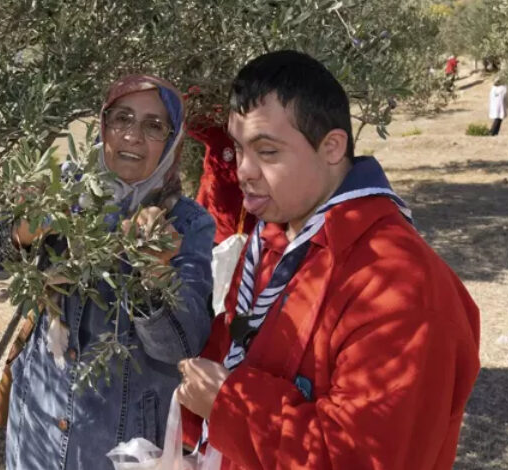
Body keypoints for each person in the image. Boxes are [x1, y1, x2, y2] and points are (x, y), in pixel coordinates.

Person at [176, 50, 480, 470]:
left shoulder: (402, 288)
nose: (244, 169)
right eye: (238, 148)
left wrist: (230, 406)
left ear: (332, 147)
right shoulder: (272, 238)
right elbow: (232, 347)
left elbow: (363, 459)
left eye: (266, 151)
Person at [0, 74, 215, 469]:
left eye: (153, 126)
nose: (133, 136)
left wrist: (152, 272)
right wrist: (21, 231)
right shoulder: (64, 191)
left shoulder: (188, 224)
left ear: (171, 141)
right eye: (122, 118)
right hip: (37, 432)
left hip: (121, 446)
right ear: (103, 125)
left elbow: (180, 347)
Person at [185, 88, 257, 245]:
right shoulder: (220, 131)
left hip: (249, 236)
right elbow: (186, 119)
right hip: (212, 231)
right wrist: (200, 91)